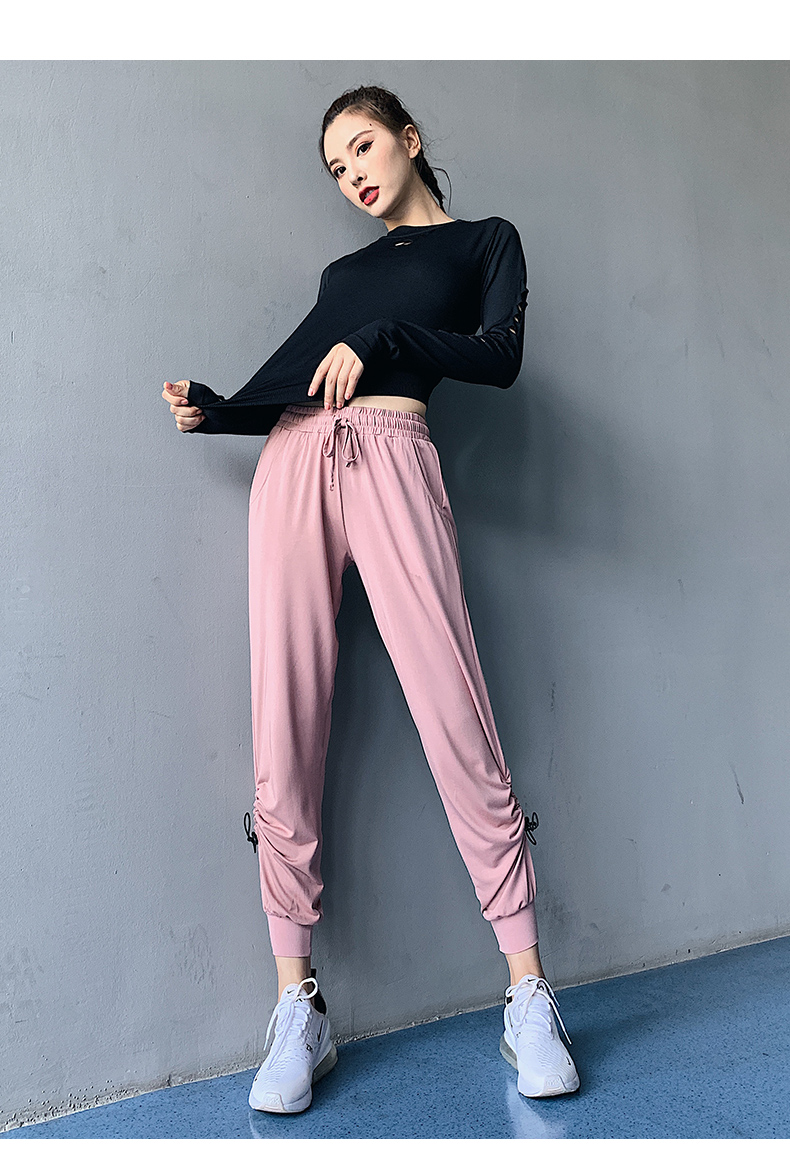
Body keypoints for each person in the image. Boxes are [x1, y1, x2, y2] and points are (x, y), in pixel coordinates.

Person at [162, 85, 580, 1113]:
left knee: (454, 710)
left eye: (361, 146)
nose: (351, 173)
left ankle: (528, 994)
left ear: (409, 137)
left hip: (394, 457)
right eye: (335, 166)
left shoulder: (486, 242)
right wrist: (220, 411)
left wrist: (393, 338)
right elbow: (302, 371)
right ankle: (296, 1006)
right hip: (295, 464)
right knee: (284, 720)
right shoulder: (343, 274)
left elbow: (499, 356)